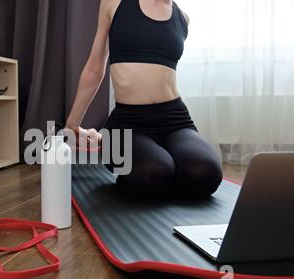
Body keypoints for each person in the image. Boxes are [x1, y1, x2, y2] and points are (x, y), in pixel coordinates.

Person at [65, 0, 223, 197]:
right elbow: (95, 68)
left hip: (175, 121)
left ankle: (164, 165)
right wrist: (72, 125)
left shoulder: (182, 18)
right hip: (127, 124)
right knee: (154, 174)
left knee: (205, 175)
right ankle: (111, 143)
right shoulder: (114, 3)